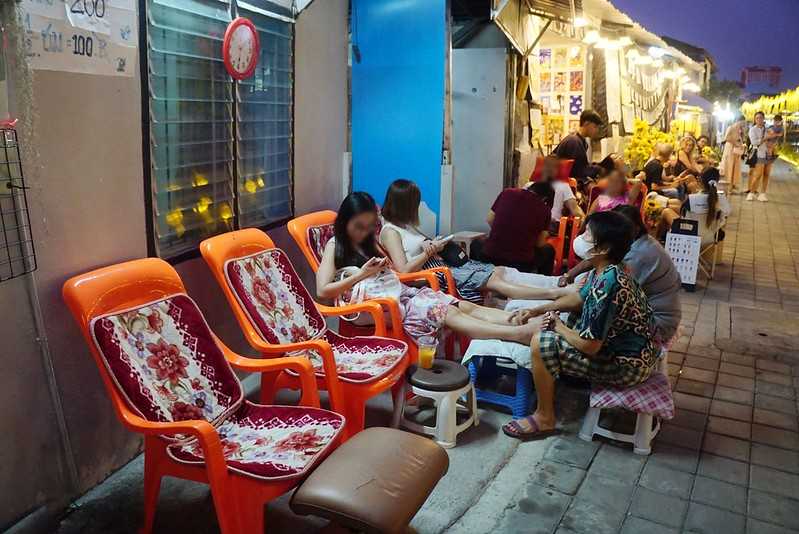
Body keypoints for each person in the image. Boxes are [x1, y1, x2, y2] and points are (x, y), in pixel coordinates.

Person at [501, 211, 658, 440]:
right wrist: (537, 309)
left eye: (587, 234)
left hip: (629, 365)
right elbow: (579, 299)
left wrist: (557, 326)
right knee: (569, 318)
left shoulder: (608, 283)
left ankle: (545, 417)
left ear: (603, 248)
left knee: (541, 342)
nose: (581, 237)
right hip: (639, 350)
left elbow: (590, 346)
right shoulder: (607, 269)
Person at [317, 192, 541, 344]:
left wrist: (383, 268)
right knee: (447, 312)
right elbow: (323, 291)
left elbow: (393, 273)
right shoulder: (335, 245)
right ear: (344, 220)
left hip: (396, 295)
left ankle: (518, 320)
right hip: (375, 307)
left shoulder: (368, 242)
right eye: (358, 226)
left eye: (369, 227)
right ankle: (516, 333)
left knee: (459, 305)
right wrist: (364, 274)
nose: (364, 232)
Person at [379, 180, 569, 302]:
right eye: (415, 203)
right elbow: (403, 270)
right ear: (406, 205)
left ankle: (556, 283)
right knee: (495, 280)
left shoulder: (405, 226)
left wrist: (429, 245)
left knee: (500, 271)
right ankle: (555, 293)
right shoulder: (390, 231)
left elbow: (490, 219)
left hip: (442, 266)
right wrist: (428, 251)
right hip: (436, 275)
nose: (418, 207)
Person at [559, 206, 682, 344]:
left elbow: (602, 301)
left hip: (657, 325)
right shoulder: (634, 243)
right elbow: (596, 258)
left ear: (634, 228)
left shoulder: (637, 256)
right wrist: (569, 274)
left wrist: (557, 323)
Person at [477, 181, 557, 275]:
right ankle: (542, 283)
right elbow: (539, 243)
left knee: (478, 242)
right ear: (545, 198)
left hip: (490, 256)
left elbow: (489, 219)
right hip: (520, 264)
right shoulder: (545, 209)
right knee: (549, 250)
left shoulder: (507, 193)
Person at [553, 110, 604, 188]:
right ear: (586, 124)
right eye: (595, 126)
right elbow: (580, 171)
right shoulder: (574, 141)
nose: (597, 130)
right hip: (559, 185)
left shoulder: (581, 141)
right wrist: (601, 169)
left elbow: (581, 166)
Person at [536, 155, 585, 227]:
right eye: (547, 165)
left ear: (557, 170)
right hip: (531, 221)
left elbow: (575, 209)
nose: (550, 169)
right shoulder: (529, 185)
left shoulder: (563, 186)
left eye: (553, 166)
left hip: (551, 224)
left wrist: (583, 218)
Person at [747, 111, 780, 202]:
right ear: (755, 119)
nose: (759, 120)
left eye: (761, 118)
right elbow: (754, 142)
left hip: (769, 154)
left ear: (763, 119)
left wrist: (772, 144)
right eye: (757, 118)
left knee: (767, 174)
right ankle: (751, 193)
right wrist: (765, 138)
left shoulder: (767, 129)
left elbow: (774, 139)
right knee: (758, 175)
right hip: (759, 154)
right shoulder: (752, 129)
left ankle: (763, 194)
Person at [719, 118, 745, 193]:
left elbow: (740, 139)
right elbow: (726, 138)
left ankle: (733, 184)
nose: (742, 124)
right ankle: (728, 186)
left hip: (737, 149)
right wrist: (735, 143)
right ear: (738, 121)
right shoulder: (731, 127)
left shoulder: (740, 129)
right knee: (729, 165)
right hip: (730, 148)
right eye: (742, 122)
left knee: (736, 166)